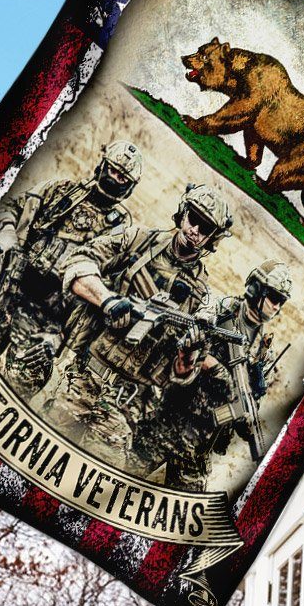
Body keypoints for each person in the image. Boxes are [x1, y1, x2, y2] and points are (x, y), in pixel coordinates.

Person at [43, 183, 234, 456]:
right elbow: (79, 261)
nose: (195, 231)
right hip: (84, 379)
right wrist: (108, 301)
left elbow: (179, 374)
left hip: (126, 406)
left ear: (212, 238)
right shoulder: (138, 240)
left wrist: (189, 353)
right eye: (194, 219)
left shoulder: (202, 297)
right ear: (183, 213)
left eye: (206, 229)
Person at [0, 140, 142, 402]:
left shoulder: (122, 234)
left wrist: (62, 336)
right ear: (102, 166)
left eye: (122, 177)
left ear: (129, 187)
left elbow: (107, 292)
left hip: (48, 322)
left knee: (10, 396)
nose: (114, 179)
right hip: (7, 296)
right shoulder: (61, 191)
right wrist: (6, 229)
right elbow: (11, 207)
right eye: (113, 170)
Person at [131, 260, 293, 491]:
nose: (277, 306)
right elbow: (182, 342)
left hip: (199, 445)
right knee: (117, 481)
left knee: (180, 516)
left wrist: (247, 415)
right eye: (274, 298)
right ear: (256, 289)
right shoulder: (218, 310)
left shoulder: (263, 350)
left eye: (282, 301)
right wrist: (217, 369)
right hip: (168, 423)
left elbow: (249, 401)